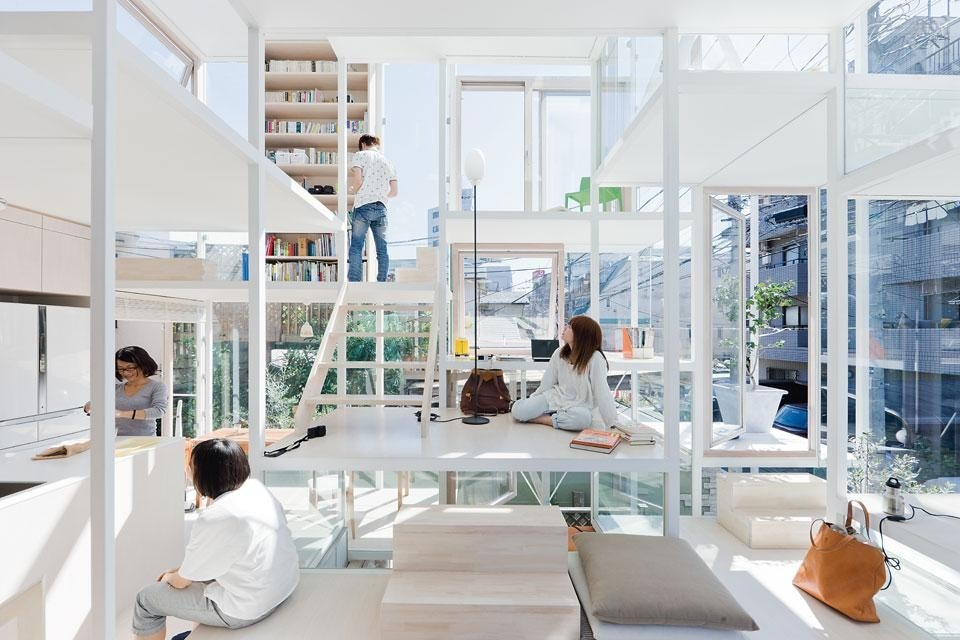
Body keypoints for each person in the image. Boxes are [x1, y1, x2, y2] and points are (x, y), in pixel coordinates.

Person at [131, 438, 299, 639]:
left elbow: (183, 582)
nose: (187, 470)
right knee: (197, 580)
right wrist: (182, 571)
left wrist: (168, 577)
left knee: (147, 599)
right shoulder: (256, 489)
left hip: (247, 608)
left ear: (205, 475)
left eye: (191, 466)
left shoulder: (215, 517)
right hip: (282, 587)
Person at [511, 315, 619, 431]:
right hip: (556, 397)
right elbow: (546, 383)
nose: (565, 328)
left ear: (581, 334)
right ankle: (557, 417)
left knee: (583, 418)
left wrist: (613, 423)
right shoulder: (559, 353)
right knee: (519, 410)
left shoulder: (595, 358)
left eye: (570, 327)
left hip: (581, 405)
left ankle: (545, 419)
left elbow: (602, 392)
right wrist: (532, 403)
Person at [83, 346, 168, 437]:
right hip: (116, 440)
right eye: (121, 369)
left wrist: (120, 414)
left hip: (145, 441)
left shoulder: (157, 387)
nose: (125, 373)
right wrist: (89, 406)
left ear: (143, 365)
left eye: (129, 368)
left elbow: (159, 411)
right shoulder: (115, 388)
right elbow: (95, 403)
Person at [347, 134, 398, 282]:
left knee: (357, 246)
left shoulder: (360, 155)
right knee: (382, 248)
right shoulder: (388, 162)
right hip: (381, 208)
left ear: (363, 143)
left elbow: (358, 181)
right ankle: (382, 280)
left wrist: (352, 190)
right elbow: (394, 191)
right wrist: (381, 196)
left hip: (363, 205)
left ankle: (355, 281)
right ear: (376, 144)